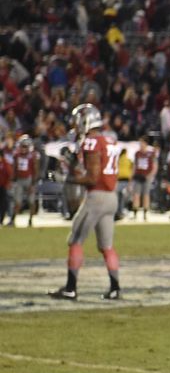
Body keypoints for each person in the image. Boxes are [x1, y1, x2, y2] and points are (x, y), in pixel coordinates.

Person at [48, 105, 124, 300]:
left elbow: (92, 177)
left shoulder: (91, 142)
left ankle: (70, 288)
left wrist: (66, 179)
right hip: (112, 198)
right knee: (106, 246)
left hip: (96, 197)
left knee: (75, 240)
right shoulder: (110, 139)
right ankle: (115, 288)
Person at [9, 135, 40, 227]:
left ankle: (30, 220)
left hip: (29, 180)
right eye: (22, 146)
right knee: (17, 202)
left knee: (31, 202)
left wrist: (33, 184)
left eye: (25, 146)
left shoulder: (33, 156)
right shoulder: (16, 155)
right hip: (19, 180)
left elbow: (36, 170)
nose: (23, 148)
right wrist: (12, 180)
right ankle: (13, 220)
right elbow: (14, 168)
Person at [131, 135, 157, 220]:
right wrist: (132, 176)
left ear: (145, 143)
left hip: (146, 176)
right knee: (136, 195)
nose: (140, 144)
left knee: (146, 195)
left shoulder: (151, 153)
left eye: (142, 142)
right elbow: (135, 166)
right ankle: (135, 213)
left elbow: (155, 166)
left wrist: (149, 176)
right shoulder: (137, 153)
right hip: (138, 176)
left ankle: (145, 214)